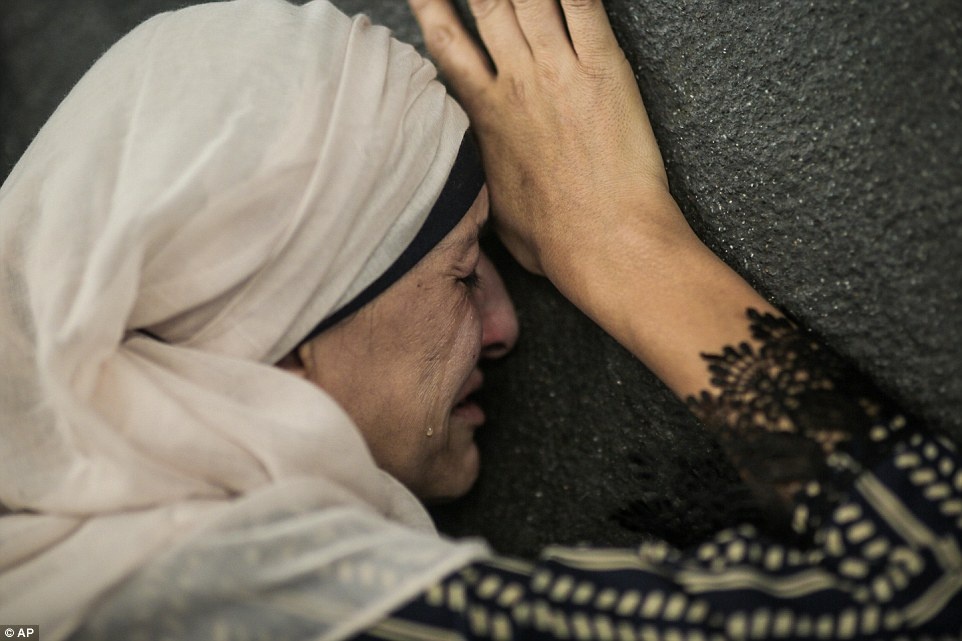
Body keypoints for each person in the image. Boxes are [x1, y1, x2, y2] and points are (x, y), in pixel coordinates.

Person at [0, 3, 956, 641]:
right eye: (464, 274)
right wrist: (625, 247)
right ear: (282, 339)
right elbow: (933, 588)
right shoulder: (266, 610)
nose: (505, 325)